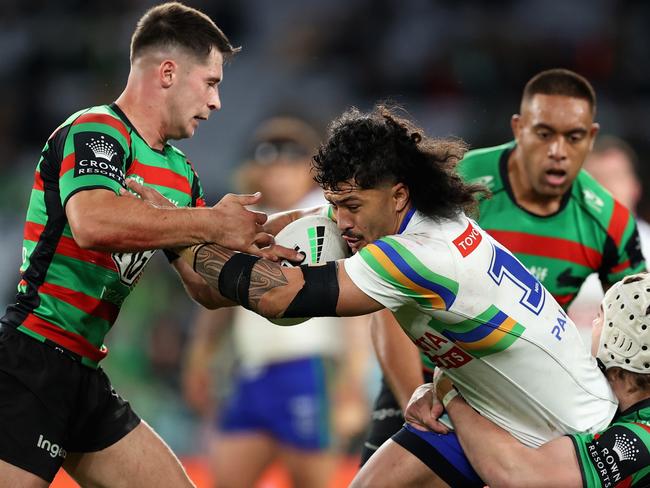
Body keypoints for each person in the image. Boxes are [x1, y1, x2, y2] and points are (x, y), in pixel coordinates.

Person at [149, 104, 622, 487]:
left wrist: (180, 229)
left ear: (397, 195)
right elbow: (243, 269)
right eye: (334, 205)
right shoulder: (411, 221)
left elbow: (277, 298)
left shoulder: (417, 255)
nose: (342, 223)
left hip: (567, 440)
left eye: (351, 206)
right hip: (487, 408)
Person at [0, 3, 299, 487]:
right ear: (167, 72)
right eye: (211, 81)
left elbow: (201, 286)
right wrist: (212, 223)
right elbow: (92, 222)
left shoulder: (182, 175)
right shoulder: (97, 129)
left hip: (83, 372)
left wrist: (260, 262)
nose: (217, 101)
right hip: (30, 362)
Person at [359, 68, 647, 466]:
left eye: (574, 137)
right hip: (423, 378)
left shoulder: (610, 223)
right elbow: (388, 295)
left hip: (523, 397)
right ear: (518, 128)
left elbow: (636, 330)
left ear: (591, 138)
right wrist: (417, 395)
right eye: (544, 134)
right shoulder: (455, 185)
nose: (558, 150)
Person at [182, 116, 369, 488]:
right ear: (257, 171)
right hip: (253, 371)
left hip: (309, 370)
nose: (279, 176)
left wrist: (354, 379)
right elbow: (221, 294)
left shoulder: (329, 218)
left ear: (308, 171)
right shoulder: (243, 222)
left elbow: (356, 300)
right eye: (272, 166)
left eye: (289, 166)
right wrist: (200, 356)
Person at [408, 271, 650, 487]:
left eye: (600, 317)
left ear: (619, 344)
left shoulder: (642, 437)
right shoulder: (605, 396)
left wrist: (449, 392)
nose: (593, 325)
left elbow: (518, 476)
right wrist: (432, 391)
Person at [570, 136, 650, 332]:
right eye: (596, 179)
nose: (607, 188)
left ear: (635, 187)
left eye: (615, 176)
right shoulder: (551, 245)